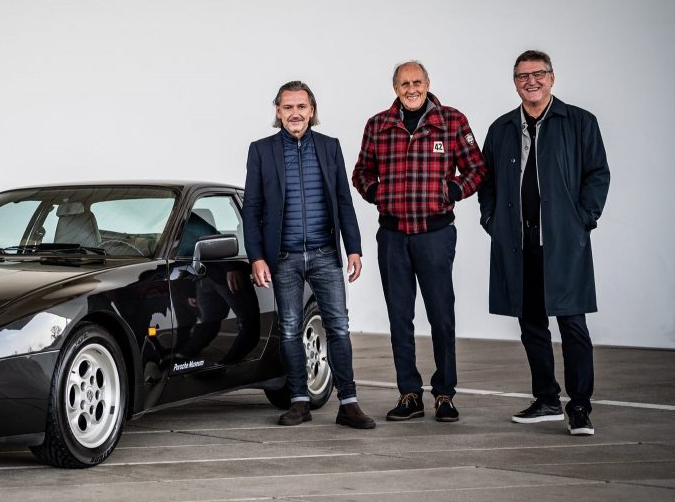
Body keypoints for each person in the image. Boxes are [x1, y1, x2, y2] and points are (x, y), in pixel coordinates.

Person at [478, 50, 609, 436]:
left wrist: (583, 219)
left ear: (552, 78)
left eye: (538, 74)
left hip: (563, 244)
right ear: (514, 82)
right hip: (520, 245)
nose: (530, 81)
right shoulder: (501, 129)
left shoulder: (580, 122)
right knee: (531, 323)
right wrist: (491, 221)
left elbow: (598, 174)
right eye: (522, 76)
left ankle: (580, 406)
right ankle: (547, 400)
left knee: (572, 324)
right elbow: (486, 182)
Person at [352, 61, 486, 423]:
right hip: (393, 235)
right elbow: (360, 171)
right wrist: (378, 194)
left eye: (417, 82)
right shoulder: (378, 125)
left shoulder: (451, 121)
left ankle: (445, 394)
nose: (411, 88)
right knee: (400, 318)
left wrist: (451, 190)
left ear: (428, 83)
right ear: (395, 87)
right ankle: (409, 394)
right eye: (404, 83)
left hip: (435, 234)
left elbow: (477, 168)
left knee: (441, 316)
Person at [243, 80, 372, 428]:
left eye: (301, 107)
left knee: (338, 328)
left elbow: (343, 200)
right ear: (278, 112)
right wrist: (256, 256)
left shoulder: (329, 148)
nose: (295, 113)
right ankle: (299, 401)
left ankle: (349, 403)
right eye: (287, 107)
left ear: (312, 110)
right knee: (288, 330)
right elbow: (251, 208)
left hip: (325, 254)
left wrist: (354, 248)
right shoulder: (261, 150)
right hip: (282, 258)